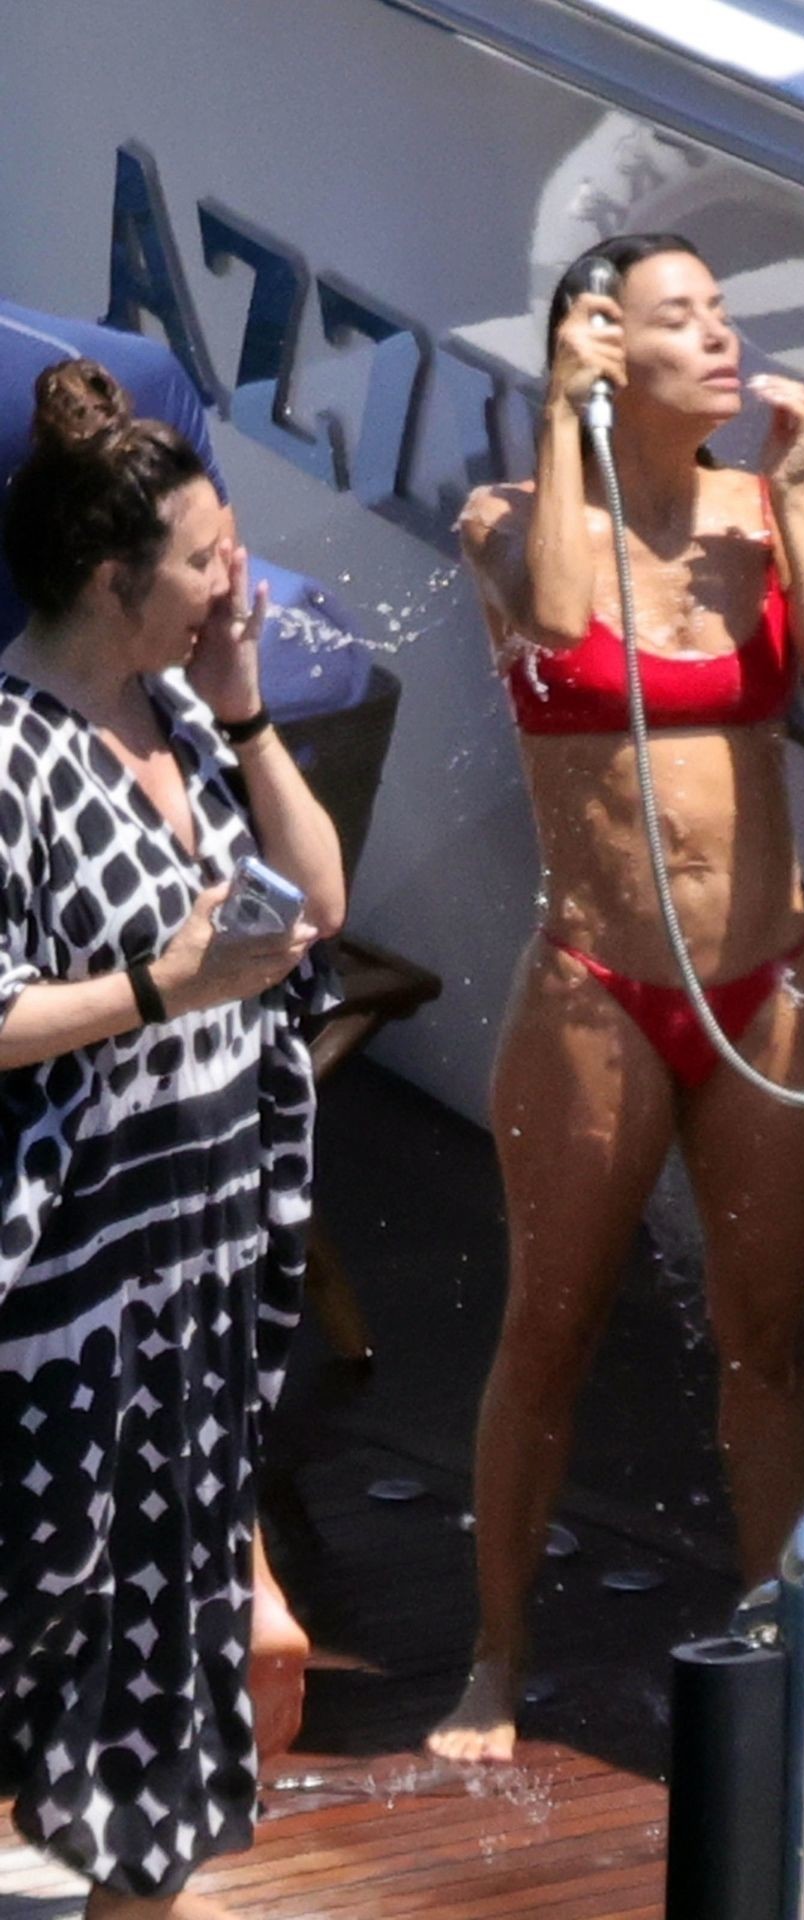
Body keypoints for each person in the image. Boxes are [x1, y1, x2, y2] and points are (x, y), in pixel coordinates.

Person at [431, 233, 804, 1763]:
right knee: (549, 1331)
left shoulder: (766, 514)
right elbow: (566, 625)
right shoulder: (507, 520)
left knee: (770, 1340)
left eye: (722, 312)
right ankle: (495, 1660)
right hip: (597, 989)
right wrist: (564, 419)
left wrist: (802, 494)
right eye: (679, 318)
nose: (720, 337)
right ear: (600, 343)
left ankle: (789, 1653)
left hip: (769, 979)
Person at [0, 358, 345, 1917]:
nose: (235, 581)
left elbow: (318, 904)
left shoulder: (186, 714)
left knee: (153, 1742)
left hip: (193, 1297)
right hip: (57, 1318)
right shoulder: (10, 754)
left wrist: (251, 713)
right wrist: (161, 986)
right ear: (108, 576)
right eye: (207, 559)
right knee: (31, 1654)